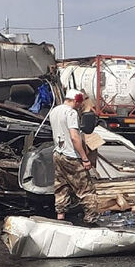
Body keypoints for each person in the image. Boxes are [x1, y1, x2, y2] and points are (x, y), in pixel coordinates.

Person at [48, 88, 95, 222]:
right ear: (75, 101)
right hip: (71, 156)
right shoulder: (71, 113)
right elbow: (75, 137)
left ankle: (60, 217)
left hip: (58, 153)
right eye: (79, 103)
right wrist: (85, 158)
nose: (80, 105)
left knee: (61, 186)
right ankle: (91, 220)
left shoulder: (54, 111)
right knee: (86, 190)